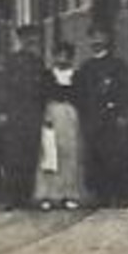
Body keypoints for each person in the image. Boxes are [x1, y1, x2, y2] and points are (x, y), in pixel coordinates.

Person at [75, 27, 128, 207]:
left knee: (116, 157)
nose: (96, 42)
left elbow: (126, 91)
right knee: (96, 158)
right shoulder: (85, 68)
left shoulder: (118, 65)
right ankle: (102, 196)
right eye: (93, 39)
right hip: (93, 119)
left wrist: (124, 113)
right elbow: (80, 95)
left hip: (112, 118)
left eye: (100, 38)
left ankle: (121, 195)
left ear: (107, 39)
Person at [0, 27, 48, 211]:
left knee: (30, 155)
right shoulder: (10, 62)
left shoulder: (38, 62)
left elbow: (42, 90)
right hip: (14, 114)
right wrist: (1, 111)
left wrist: (44, 111)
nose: (28, 42)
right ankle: (11, 197)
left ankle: (26, 196)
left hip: (32, 114)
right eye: (24, 39)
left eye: (31, 39)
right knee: (12, 156)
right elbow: (2, 88)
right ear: (19, 40)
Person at [34, 42, 85, 210]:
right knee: (49, 154)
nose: (62, 59)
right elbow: (41, 96)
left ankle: (69, 195)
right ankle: (47, 195)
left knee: (69, 154)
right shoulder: (47, 75)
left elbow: (81, 97)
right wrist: (45, 115)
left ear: (71, 58)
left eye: (66, 55)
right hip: (51, 113)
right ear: (54, 57)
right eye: (59, 55)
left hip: (70, 115)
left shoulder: (77, 76)